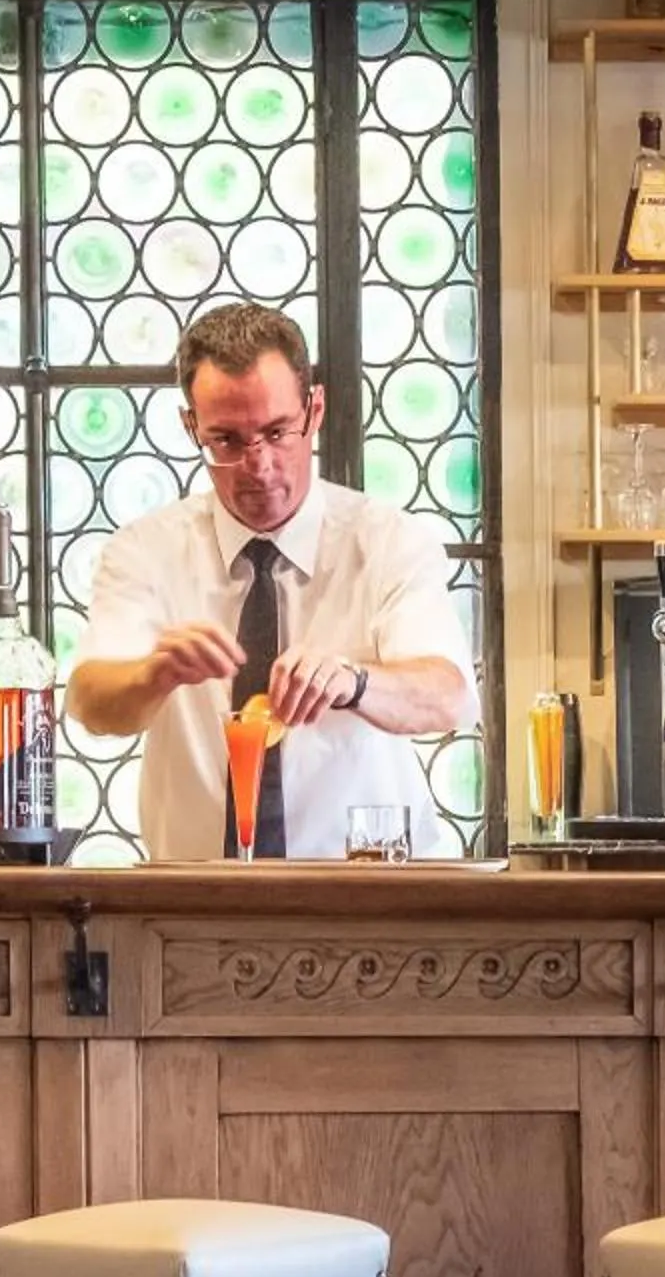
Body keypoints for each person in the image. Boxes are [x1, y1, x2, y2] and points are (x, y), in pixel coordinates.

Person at [69, 302, 479, 861]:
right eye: (227, 441)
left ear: (314, 410)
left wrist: (355, 682)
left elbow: (447, 698)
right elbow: (92, 703)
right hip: (190, 903)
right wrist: (153, 673)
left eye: (277, 431)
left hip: (369, 894)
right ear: (191, 427)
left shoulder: (388, 541)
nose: (258, 464)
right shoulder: (146, 550)